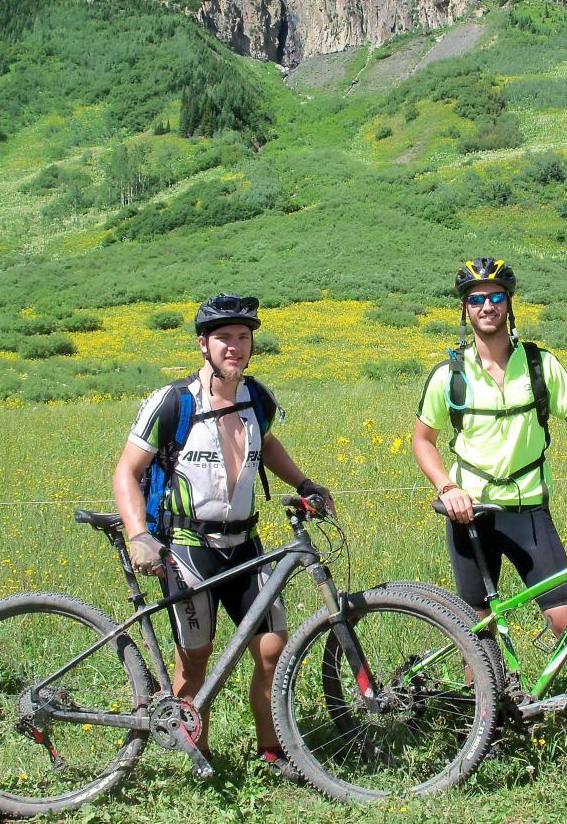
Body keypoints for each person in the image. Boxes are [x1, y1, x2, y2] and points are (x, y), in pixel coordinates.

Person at [412, 258, 567, 711]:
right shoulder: (449, 374)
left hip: (529, 511)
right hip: (470, 513)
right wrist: (447, 488)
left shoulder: (540, 364)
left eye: (495, 296)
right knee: (479, 630)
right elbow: (423, 440)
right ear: (465, 310)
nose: (487, 305)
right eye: (476, 298)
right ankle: (485, 729)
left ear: (509, 304)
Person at [112, 293, 331, 777]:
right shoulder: (173, 402)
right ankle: (198, 755)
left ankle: (273, 750)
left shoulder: (258, 397)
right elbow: (126, 472)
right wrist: (137, 534)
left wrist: (303, 483)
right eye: (224, 338)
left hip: (246, 546)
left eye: (243, 337)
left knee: (273, 649)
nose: (234, 346)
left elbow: (266, 442)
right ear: (203, 345)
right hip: (188, 547)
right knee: (194, 660)